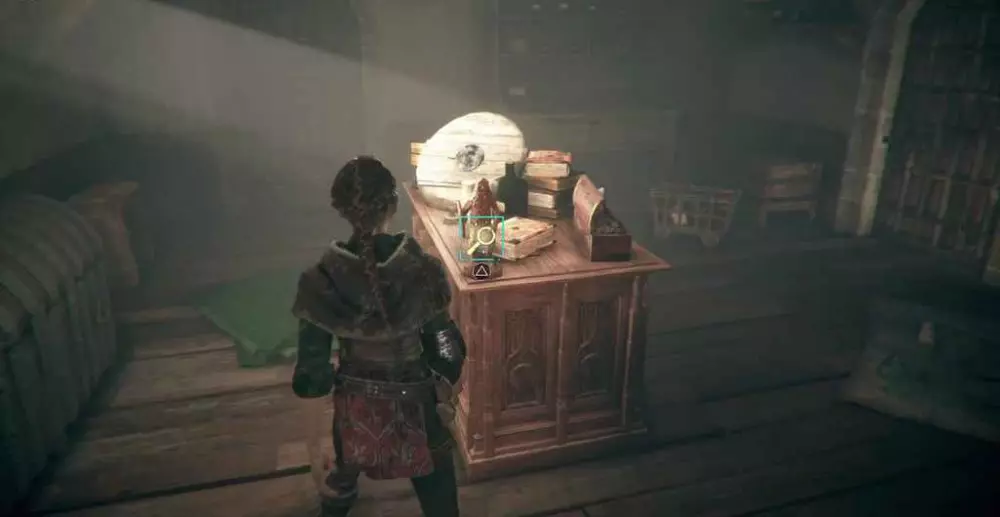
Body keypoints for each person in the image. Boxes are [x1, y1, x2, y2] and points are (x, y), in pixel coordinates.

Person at [291, 156, 465, 517]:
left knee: (336, 491)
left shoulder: (320, 280)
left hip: (353, 415)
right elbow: (446, 349)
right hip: (420, 411)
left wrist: (314, 451)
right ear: (393, 205)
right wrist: (445, 398)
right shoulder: (423, 270)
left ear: (341, 209)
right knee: (442, 504)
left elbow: (311, 374)